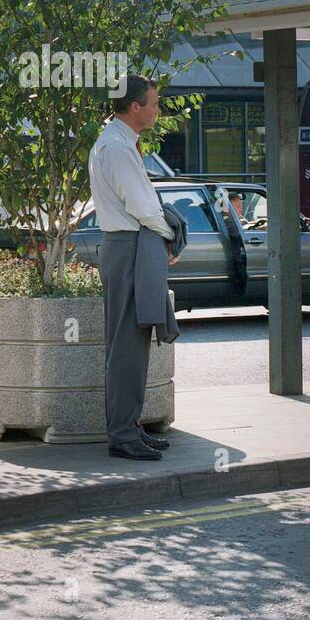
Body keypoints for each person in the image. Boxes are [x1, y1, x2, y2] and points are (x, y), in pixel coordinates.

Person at [88, 74, 179, 461]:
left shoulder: (118, 142)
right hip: (128, 247)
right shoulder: (117, 148)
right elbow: (142, 208)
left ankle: (129, 427)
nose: (158, 109)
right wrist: (169, 234)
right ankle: (123, 434)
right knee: (127, 344)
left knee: (132, 341)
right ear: (136, 106)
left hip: (127, 246)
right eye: (155, 102)